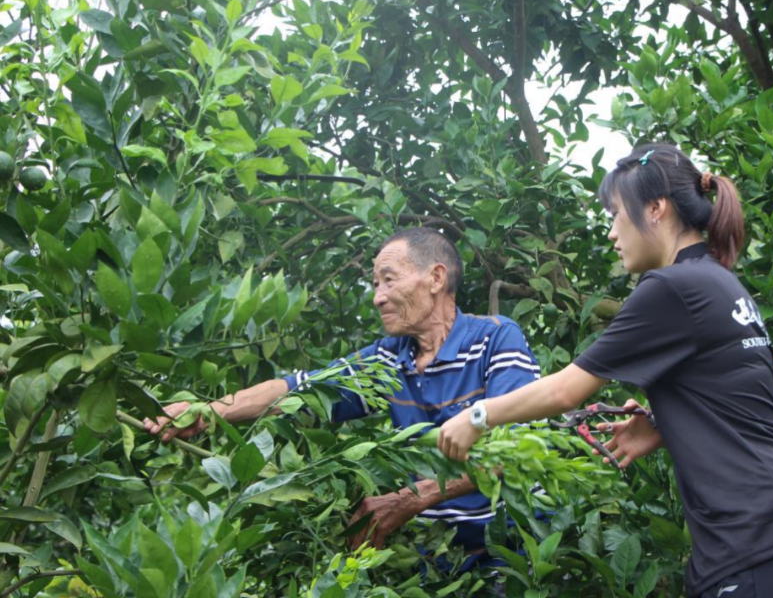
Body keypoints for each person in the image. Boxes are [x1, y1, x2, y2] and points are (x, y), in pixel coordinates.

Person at [436, 144, 773, 598]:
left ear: (655, 208)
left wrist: (476, 416)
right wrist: (664, 423)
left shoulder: (671, 287)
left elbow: (566, 391)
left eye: (615, 214)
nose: (611, 232)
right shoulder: (719, 281)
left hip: (761, 541)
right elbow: (742, 402)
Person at [143, 227, 542, 570]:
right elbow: (298, 389)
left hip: (517, 555)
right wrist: (207, 412)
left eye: (389, 280)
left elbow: (514, 449)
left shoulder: (494, 338)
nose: (378, 297)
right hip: (437, 562)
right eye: (375, 285)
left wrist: (407, 500)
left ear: (436, 278)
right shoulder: (390, 357)